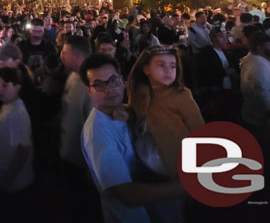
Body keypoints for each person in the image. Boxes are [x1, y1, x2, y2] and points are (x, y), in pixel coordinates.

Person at [80, 53, 185, 223]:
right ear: (89, 91)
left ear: (121, 80)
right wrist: (184, 187)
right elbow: (128, 195)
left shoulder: (119, 113)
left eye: (113, 80)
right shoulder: (98, 134)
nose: (109, 89)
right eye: (99, 85)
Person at [127, 45, 204, 178]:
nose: (168, 70)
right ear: (146, 69)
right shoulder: (140, 93)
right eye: (161, 65)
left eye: (172, 66)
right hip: (147, 159)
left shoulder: (181, 95)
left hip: (179, 160)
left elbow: (198, 126)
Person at [0, 67, 34, 197]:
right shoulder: (7, 105)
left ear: (17, 87)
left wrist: (9, 176)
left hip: (17, 181)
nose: (0, 89)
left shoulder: (16, 112)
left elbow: (24, 148)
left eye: (5, 85)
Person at [59, 35, 92, 168]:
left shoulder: (90, 84)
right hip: (68, 149)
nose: (61, 55)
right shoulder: (73, 75)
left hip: (81, 158)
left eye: (65, 52)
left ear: (77, 55)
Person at [240, 31, 270, 137]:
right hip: (260, 120)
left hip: (250, 113)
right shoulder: (260, 68)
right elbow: (264, 98)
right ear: (259, 48)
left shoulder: (253, 58)